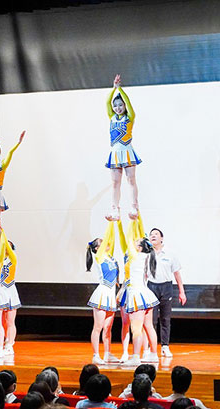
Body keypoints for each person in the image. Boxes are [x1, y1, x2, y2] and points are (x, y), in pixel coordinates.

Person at [116, 217, 159, 365]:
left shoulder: (136, 256)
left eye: (136, 243)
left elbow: (127, 238)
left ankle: (134, 357)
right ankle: (153, 354)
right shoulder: (147, 255)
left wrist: (132, 221)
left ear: (139, 247)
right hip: (146, 294)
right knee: (149, 327)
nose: (132, 243)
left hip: (136, 295)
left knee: (136, 328)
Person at [105, 74, 141, 221]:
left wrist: (121, 89)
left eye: (120, 105)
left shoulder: (130, 117)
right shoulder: (111, 116)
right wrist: (114, 88)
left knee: (131, 179)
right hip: (115, 153)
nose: (118, 107)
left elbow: (129, 104)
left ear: (124, 106)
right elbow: (107, 102)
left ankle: (134, 206)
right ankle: (115, 209)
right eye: (116, 105)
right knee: (115, 182)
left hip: (127, 151)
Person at [146, 228, 186, 358]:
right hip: (151, 287)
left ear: (162, 238)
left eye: (156, 234)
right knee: (151, 320)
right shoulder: (147, 253)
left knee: (165, 319)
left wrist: (182, 292)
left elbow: (177, 274)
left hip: (166, 287)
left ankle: (165, 346)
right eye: (151, 235)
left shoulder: (170, 254)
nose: (153, 236)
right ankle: (150, 348)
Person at [86, 222, 120, 364]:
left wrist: (114, 223)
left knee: (108, 328)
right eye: (103, 242)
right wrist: (111, 222)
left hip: (111, 295)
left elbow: (110, 239)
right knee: (98, 327)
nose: (107, 243)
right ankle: (96, 355)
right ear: (97, 248)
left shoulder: (110, 257)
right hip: (102, 294)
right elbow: (108, 237)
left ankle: (107, 353)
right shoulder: (99, 257)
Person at [0, 239, 21, 356]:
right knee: (1, 321)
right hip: (0, 291)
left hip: (10, 291)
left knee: (10, 321)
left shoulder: (12, 259)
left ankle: (10, 344)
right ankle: (6, 340)